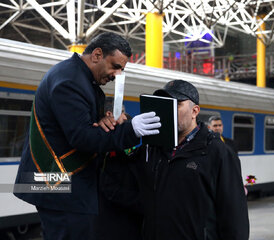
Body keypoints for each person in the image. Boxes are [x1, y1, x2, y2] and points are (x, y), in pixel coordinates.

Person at [13, 32, 161, 240]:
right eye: (115, 66)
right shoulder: (70, 82)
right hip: (60, 185)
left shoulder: (79, 78)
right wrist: (131, 130)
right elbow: (82, 137)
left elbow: (85, 126)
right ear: (97, 54)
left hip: (63, 184)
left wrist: (105, 121)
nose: (117, 75)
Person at [135, 80, 249, 240]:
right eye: (166, 104)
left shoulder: (217, 151)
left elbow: (234, 214)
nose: (169, 110)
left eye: (177, 104)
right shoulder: (152, 149)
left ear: (195, 111)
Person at [93, 107, 143, 240]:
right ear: (109, 114)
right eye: (121, 112)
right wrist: (144, 204)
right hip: (115, 224)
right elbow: (110, 188)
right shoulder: (105, 147)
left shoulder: (121, 144)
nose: (126, 117)